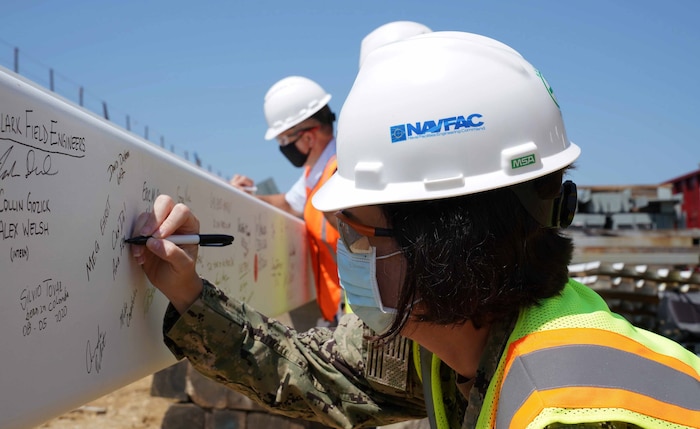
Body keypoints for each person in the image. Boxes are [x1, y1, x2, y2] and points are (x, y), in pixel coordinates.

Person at [131, 31, 700, 428]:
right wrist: (188, 292)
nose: (348, 253)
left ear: (440, 249)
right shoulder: (447, 334)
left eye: (354, 235)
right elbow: (317, 376)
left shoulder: (573, 411)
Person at [231, 75, 342, 324]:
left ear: (307, 138)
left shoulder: (338, 173)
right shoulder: (317, 174)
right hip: (343, 310)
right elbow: (290, 203)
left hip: (358, 313)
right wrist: (245, 195)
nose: (283, 148)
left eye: (283, 140)